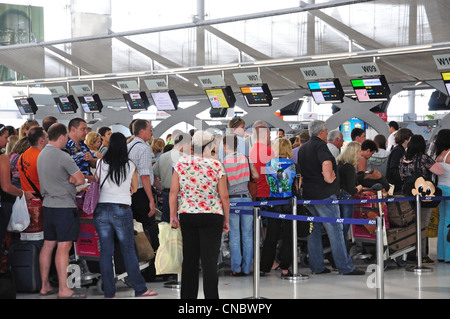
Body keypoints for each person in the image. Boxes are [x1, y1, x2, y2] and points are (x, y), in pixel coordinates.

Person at [93, 132, 157, 298]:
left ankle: (109, 292)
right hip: (121, 209)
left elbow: (96, 181)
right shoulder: (129, 165)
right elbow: (135, 189)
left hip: (101, 210)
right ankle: (140, 289)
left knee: (106, 252)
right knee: (128, 249)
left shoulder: (100, 162)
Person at [297, 120, 364, 275]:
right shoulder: (321, 146)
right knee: (336, 231)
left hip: (308, 195)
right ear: (321, 132)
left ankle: (317, 266)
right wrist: (329, 178)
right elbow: (326, 163)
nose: (327, 133)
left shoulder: (303, 148)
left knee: (313, 233)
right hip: (324, 195)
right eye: (326, 131)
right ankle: (345, 267)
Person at [170, 130, 230, 299]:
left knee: (189, 259)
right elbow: (224, 195)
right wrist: (227, 218)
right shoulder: (216, 165)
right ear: (209, 145)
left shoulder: (181, 162)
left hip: (188, 214)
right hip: (212, 214)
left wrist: (173, 215)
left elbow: (174, 192)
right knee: (209, 261)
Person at [36, 123, 86, 298]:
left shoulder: (41, 155)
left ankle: (44, 285)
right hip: (64, 206)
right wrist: (72, 178)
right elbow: (80, 180)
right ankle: (64, 289)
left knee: (48, 244)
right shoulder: (63, 156)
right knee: (64, 247)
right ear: (62, 136)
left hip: (48, 205)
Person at [399, 134, 444, 265]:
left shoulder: (403, 159)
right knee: (422, 225)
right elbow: (440, 171)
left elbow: (401, 176)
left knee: (411, 224)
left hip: (408, 196)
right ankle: (422, 255)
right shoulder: (424, 158)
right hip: (423, 196)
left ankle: (411, 253)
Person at [222, 134, 259, 277]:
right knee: (248, 235)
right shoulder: (245, 158)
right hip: (247, 199)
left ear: (225, 146)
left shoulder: (224, 162)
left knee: (235, 235)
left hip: (232, 200)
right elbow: (255, 175)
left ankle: (236, 268)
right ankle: (246, 268)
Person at [260, 137, 296, 277]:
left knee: (271, 236)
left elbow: (271, 183)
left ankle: (265, 267)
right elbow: (293, 186)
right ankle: (285, 268)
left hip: (273, 202)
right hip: (288, 202)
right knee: (288, 236)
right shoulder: (292, 165)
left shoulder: (268, 164)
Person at [0, 124, 35, 252]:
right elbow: (6, 187)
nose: (7, 141)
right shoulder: (2, 158)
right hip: (3, 204)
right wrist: (21, 193)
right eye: (5, 137)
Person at [127, 119, 157, 244]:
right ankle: (148, 256)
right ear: (142, 131)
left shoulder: (128, 146)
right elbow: (144, 176)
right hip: (141, 192)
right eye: (150, 129)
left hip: (129, 192)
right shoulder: (144, 148)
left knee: (133, 227)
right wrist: (151, 200)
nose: (151, 132)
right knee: (146, 226)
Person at [153, 132, 191, 223]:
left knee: (167, 223)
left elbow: (153, 174)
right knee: (183, 224)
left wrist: (161, 187)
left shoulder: (162, 157)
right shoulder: (186, 158)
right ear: (184, 144)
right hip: (183, 194)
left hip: (166, 193)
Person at [337, 141, 363, 240]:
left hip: (338, 196)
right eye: (359, 151)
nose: (360, 153)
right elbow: (352, 189)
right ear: (354, 152)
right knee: (345, 227)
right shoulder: (349, 167)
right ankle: (342, 251)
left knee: (339, 227)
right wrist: (359, 187)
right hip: (347, 197)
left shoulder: (339, 163)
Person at [434, 129, 450, 262]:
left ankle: (441, 254)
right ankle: (449, 255)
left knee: (442, 221)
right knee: (449, 221)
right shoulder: (449, 154)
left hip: (440, 189)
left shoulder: (438, 155)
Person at [65, 118, 97, 182]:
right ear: (73, 129)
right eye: (83, 129)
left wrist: (91, 159)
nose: (86, 132)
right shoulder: (65, 146)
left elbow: (96, 164)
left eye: (86, 129)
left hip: (88, 186)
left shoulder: (83, 145)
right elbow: (65, 173)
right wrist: (88, 178)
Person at [386, 128, 414, 194]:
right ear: (406, 139)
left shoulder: (399, 150)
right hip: (396, 185)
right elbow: (393, 168)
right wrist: (403, 179)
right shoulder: (398, 151)